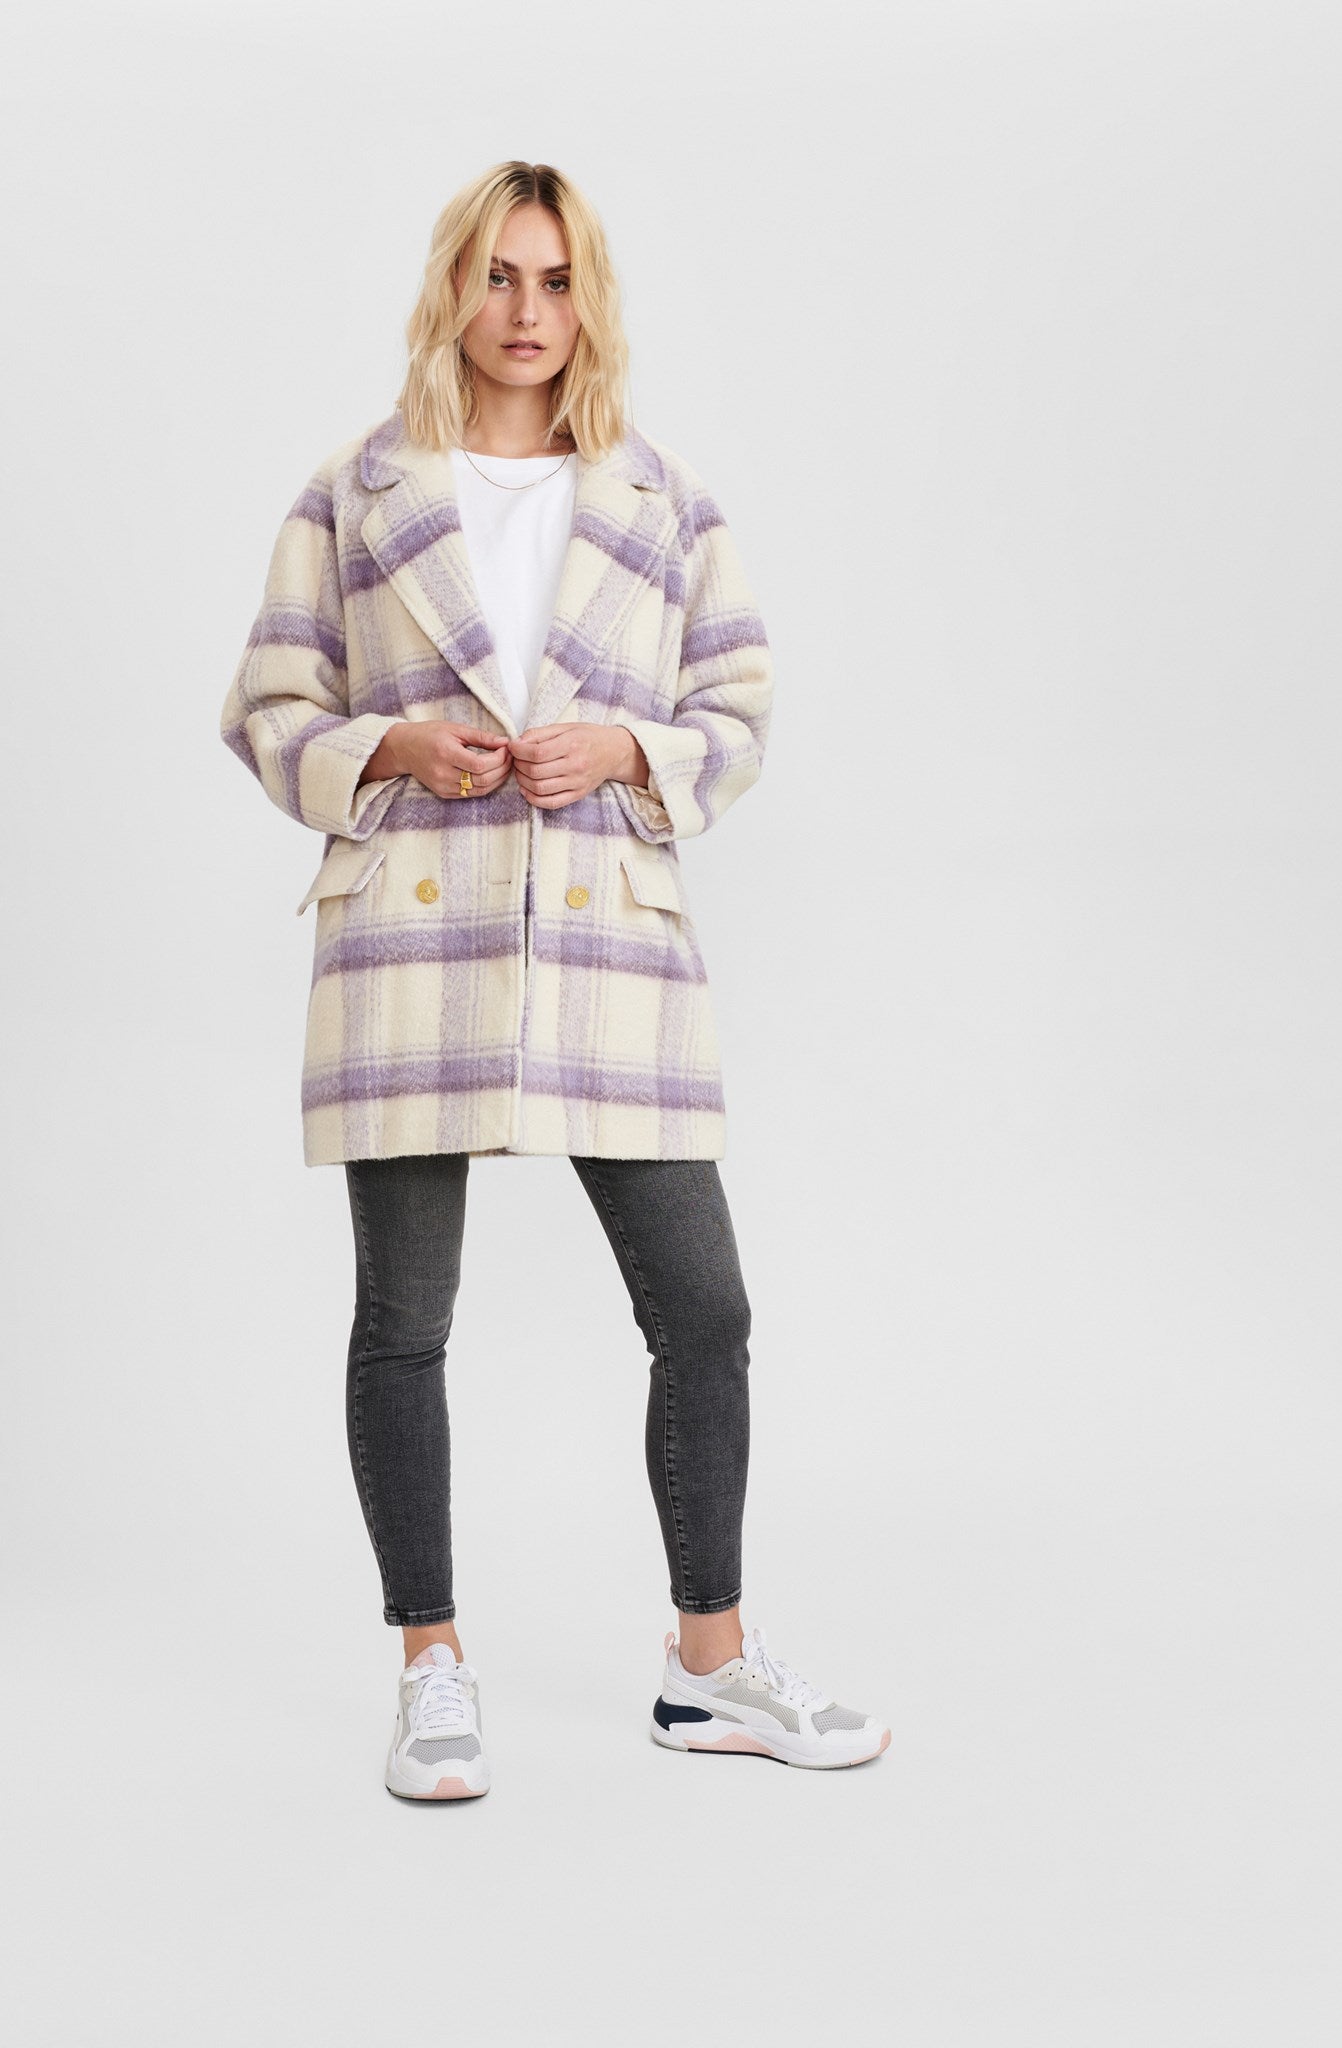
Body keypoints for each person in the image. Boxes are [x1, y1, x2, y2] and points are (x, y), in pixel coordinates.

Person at [220, 159, 890, 1798]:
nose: (528, 312)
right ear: (453, 289)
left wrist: (631, 751)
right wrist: (389, 744)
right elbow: (266, 707)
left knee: (703, 1310)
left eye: (559, 280)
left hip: (606, 933)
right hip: (413, 932)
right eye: (500, 277)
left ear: (592, 301)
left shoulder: (664, 499)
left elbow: (736, 711)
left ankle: (707, 1671)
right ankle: (430, 1669)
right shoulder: (352, 491)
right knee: (404, 1320)